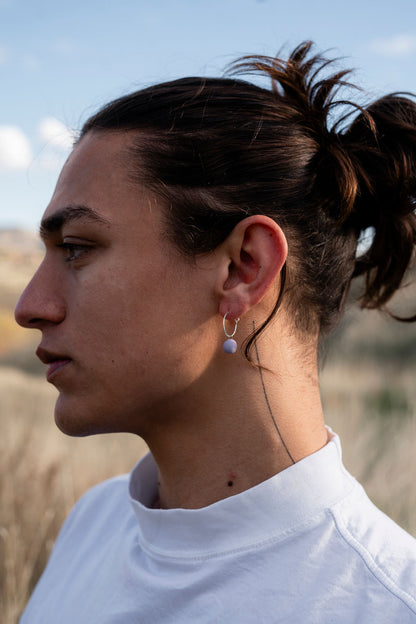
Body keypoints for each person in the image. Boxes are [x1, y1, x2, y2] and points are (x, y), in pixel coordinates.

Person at [16, 41, 416, 623]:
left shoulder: (385, 605)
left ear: (242, 269)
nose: (32, 305)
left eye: (77, 249)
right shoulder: (93, 525)